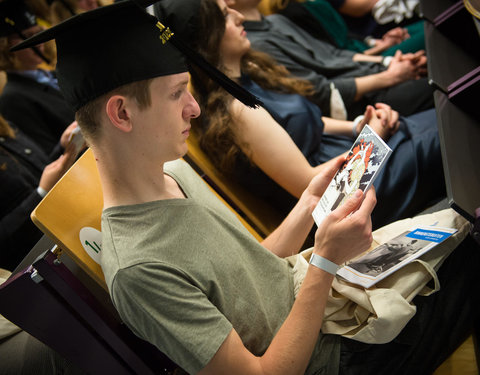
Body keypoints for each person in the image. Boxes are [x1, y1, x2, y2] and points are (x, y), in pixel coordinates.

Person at [13, 1, 479, 375]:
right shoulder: (139, 269)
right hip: (339, 355)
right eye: (177, 93)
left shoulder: (173, 173)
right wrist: (324, 261)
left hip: (331, 294)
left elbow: (255, 272)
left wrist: (309, 203)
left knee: (463, 216)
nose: (193, 109)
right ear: (121, 114)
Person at [176, 0, 444, 228]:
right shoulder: (236, 111)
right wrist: (372, 137)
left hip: (353, 158)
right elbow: (317, 190)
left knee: (445, 112)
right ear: (206, 39)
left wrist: (356, 125)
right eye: (225, 15)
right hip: (354, 193)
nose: (236, 15)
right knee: (450, 128)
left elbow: (304, 123)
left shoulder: (245, 76)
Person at [225, 0, 433, 120]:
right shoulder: (255, 44)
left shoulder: (276, 21)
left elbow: (335, 55)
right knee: (439, 85)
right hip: (362, 101)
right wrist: (390, 75)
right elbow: (319, 92)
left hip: (373, 74)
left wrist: (386, 62)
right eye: (225, 13)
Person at [0, 114, 80, 271]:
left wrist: (63, 148)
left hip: (68, 226)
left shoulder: (5, 126)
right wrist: (41, 193)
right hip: (44, 261)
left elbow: (39, 175)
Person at [0, 0, 75, 154]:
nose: (38, 42)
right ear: (6, 47)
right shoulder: (13, 98)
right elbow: (49, 153)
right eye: (27, 37)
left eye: (38, 32)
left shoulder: (53, 74)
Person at [279, 0, 425, 56]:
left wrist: (376, 42)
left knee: (425, 26)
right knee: (428, 34)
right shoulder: (294, 11)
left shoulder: (312, 3)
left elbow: (345, 35)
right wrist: (381, 47)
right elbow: (337, 55)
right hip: (368, 61)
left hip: (369, 45)